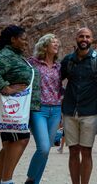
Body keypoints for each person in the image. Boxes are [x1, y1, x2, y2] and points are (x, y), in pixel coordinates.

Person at [0, 25, 39, 184]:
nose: (26, 42)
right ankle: (7, 181)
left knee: (9, 144)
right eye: (23, 39)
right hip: (6, 106)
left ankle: (2, 180)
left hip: (12, 106)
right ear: (13, 39)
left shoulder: (17, 56)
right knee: (21, 139)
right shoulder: (6, 54)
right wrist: (5, 87)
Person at [60, 27, 97, 184]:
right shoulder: (68, 60)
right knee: (73, 151)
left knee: (86, 151)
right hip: (70, 111)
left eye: (87, 36)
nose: (84, 39)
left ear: (92, 40)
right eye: (81, 36)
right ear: (76, 38)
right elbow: (55, 80)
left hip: (90, 111)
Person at [25, 33, 64, 184]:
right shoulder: (33, 63)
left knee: (46, 151)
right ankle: (30, 178)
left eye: (57, 42)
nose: (56, 44)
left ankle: (35, 182)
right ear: (45, 45)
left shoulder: (59, 66)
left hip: (56, 110)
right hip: (38, 109)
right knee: (44, 148)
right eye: (53, 42)